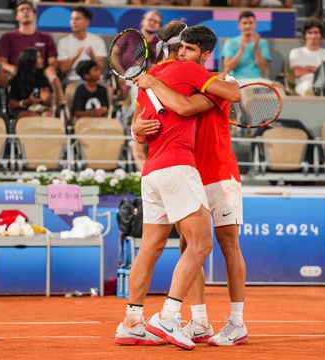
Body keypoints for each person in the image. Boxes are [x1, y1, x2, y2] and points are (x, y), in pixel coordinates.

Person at [113, 21, 241, 350]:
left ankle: (131, 321)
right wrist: (214, 95)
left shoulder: (146, 81)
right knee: (201, 245)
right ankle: (169, 316)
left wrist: (136, 130)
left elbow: (139, 128)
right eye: (183, 47)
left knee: (151, 247)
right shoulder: (188, 71)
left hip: (152, 171)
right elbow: (229, 94)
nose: (185, 53)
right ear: (179, 49)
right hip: (178, 167)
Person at [57, 6, 106, 84]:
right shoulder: (63, 42)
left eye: (77, 19)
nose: (73, 22)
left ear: (87, 22)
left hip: (93, 80)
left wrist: (92, 57)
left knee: (108, 89)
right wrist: (75, 56)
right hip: (72, 80)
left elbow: (101, 69)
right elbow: (63, 70)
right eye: (71, 19)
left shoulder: (98, 41)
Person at [288, 18, 325, 96]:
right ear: (305, 35)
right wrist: (320, 69)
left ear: (321, 35)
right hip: (304, 83)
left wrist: (309, 68)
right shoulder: (296, 52)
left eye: (316, 32)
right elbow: (298, 72)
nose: (313, 36)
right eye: (309, 33)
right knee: (310, 89)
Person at [222, 11, 273, 85]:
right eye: (244, 23)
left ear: (255, 25)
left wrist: (256, 48)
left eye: (250, 23)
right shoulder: (230, 42)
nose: (248, 26)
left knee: (279, 87)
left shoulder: (262, 42)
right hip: (236, 80)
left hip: (257, 79)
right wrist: (241, 50)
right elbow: (228, 67)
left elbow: (263, 68)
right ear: (239, 26)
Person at [9, 47, 53, 119]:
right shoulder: (17, 79)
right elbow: (12, 104)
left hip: (40, 108)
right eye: (38, 57)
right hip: (22, 110)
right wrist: (28, 101)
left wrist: (46, 99)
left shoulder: (43, 78)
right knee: (34, 117)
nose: (42, 60)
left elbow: (49, 103)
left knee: (47, 115)